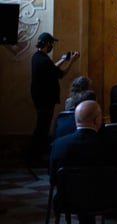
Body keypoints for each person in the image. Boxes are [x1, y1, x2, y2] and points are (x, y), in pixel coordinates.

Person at [49, 101, 117, 224]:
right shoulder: (110, 145)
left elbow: (53, 178)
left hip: (70, 199)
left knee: (82, 191)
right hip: (109, 198)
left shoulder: (59, 145)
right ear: (97, 120)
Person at [29, 32, 79, 166]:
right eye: (51, 43)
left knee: (41, 126)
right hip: (45, 99)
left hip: (40, 98)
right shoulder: (44, 60)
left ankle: (36, 156)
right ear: (47, 44)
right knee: (42, 128)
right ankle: (36, 157)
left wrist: (63, 60)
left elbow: (51, 69)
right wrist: (71, 62)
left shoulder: (37, 57)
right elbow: (61, 74)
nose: (52, 45)